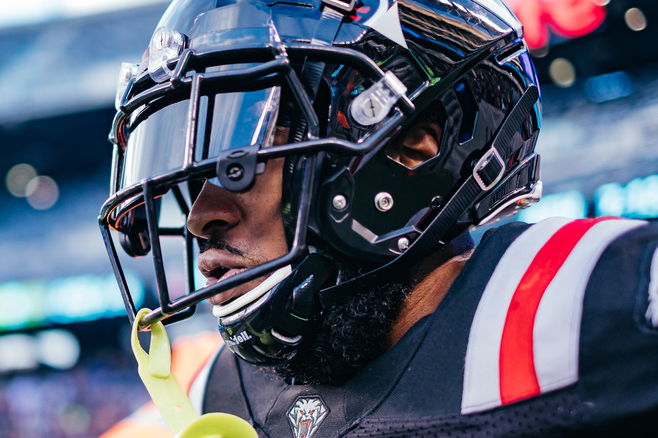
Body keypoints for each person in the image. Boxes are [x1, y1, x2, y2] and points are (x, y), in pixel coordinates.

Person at [98, 0, 658, 436]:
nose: (201, 217)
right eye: (196, 176)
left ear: (413, 146)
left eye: (238, 160)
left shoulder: (588, 298)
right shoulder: (211, 394)